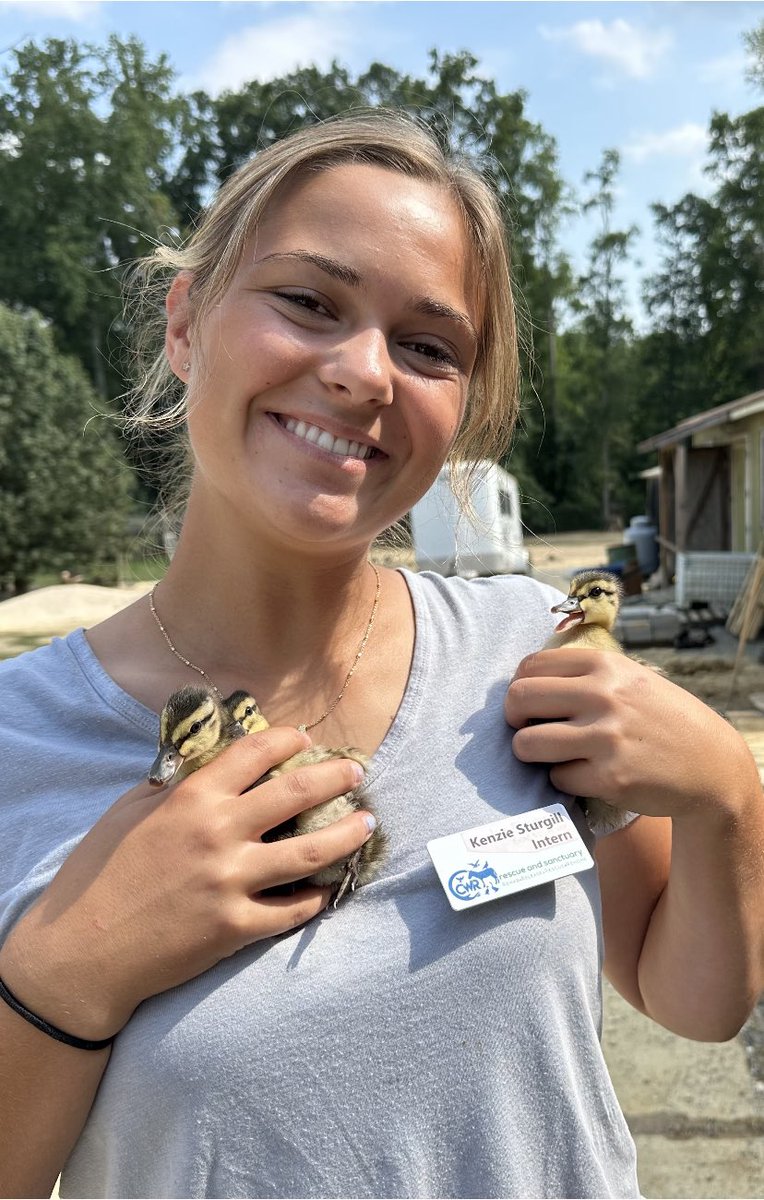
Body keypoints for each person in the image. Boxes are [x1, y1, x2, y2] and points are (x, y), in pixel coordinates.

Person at [0, 109, 762, 1200]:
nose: (363, 373)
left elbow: (689, 998)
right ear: (183, 324)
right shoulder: (15, 746)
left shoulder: (523, 655)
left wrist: (725, 793)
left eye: (427, 346)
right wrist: (66, 979)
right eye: (308, 301)